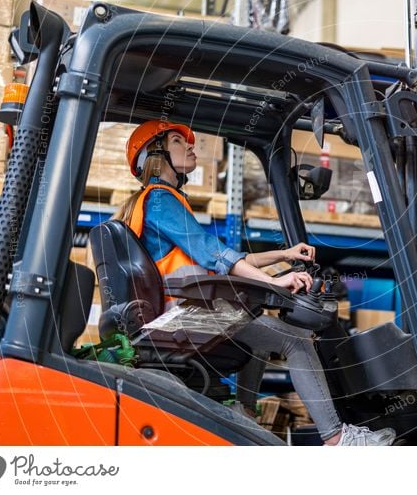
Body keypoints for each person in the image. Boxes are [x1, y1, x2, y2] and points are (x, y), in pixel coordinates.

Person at [115, 120, 395, 446]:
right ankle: (338, 440)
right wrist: (277, 284)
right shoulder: (161, 200)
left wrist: (284, 254)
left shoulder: (159, 202)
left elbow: (227, 257)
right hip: (185, 315)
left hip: (182, 312)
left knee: (259, 326)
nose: (191, 146)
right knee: (298, 340)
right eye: (179, 141)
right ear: (156, 153)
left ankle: (244, 413)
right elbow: (217, 256)